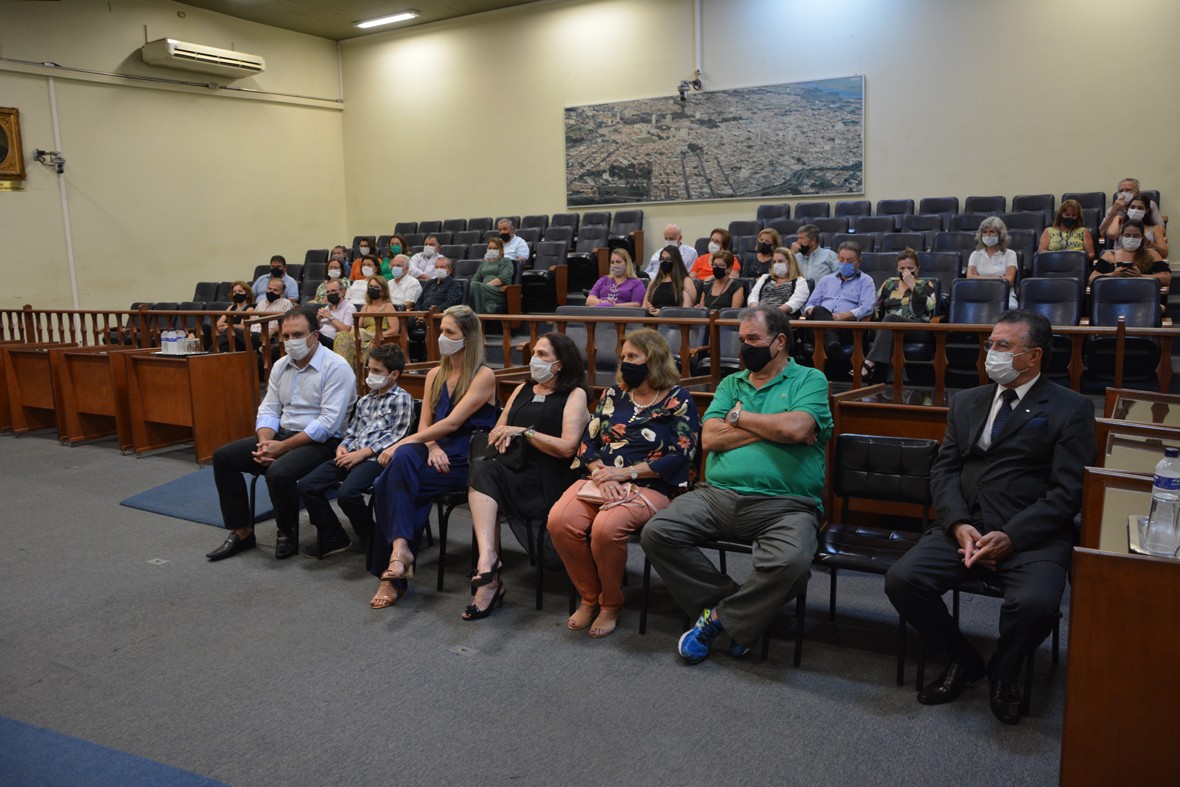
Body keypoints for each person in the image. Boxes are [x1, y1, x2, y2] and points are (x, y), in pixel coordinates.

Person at [885, 310, 1095, 725]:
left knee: (1036, 604)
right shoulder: (967, 401)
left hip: (1031, 534)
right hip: (964, 527)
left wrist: (1011, 536)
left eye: (1003, 346)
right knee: (903, 580)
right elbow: (944, 470)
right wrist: (959, 524)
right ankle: (961, 659)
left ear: (1033, 356)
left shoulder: (1071, 408)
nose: (990, 354)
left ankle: (1005, 669)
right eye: (990, 344)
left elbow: (1068, 492)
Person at [641, 306, 832, 663]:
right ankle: (744, 611)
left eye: (753, 339)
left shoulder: (810, 380)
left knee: (792, 562)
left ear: (779, 343)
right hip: (716, 496)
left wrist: (740, 418)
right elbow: (710, 438)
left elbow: (798, 430)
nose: (744, 347)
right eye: (742, 339)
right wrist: (774, 428)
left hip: (786, 504)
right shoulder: (731, 382)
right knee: (658, 532)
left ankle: (716, 620)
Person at [548, 329, 700, 638]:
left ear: (654, 360)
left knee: (606, 527)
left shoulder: (677, 398)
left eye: (633, 357)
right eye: (623, 357)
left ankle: (610, 604)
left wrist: (625, 474)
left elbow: (681, 454)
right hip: (602, 478)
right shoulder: (613, 393)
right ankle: (590, 597)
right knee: (559, 521)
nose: (626, 363)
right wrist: (601, 471)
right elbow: (587, 440)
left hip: (652, 484)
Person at [368, 305, 498, 608]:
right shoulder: (435, 374)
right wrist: (431, 446)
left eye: (449, 332)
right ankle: (400, 551)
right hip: (434, 452)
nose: (441, 337)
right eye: (441, 331)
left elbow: (452, 424)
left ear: (467, 338)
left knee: (388, 481)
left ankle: (393, 574)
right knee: (402, 469)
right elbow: (426, 424)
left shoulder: (484, 376)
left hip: (465, 459)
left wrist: (401, 444)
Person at [206, 305, 357, 562]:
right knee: (223, 457)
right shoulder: (280, 365)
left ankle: (285, 532)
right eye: (286, 336)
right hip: (282, 435)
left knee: (278, 472)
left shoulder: (337, 368)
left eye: (298, 335)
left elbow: (327, 424)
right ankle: (242, 532)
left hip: (325, 442)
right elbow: (269, 409)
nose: (290, 342)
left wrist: (280, 448)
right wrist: (266, 443)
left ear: (315, 336)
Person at [464, 333, 590, 620]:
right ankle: (488, 564)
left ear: (560, 364)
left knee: (485, 478)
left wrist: (525, 432)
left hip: (550, 478)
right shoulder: (522, 388)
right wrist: (503, 436)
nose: (535, 359)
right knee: (482, 470)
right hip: (513, 470)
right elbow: (497, 431)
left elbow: (568, 447)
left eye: (543, 355)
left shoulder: (574, 395)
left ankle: (489, 575)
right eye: (535, 352)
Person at [296, 344, 415, 561]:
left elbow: (398, 435)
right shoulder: (365, 400)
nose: (371, 375)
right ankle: (334, 535)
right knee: (307, 485)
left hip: (377, 459)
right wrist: (343, 446)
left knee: (347, 494)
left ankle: (372, 537)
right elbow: (353, 431)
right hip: (350, 453)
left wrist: (362, 454)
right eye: (369, 370)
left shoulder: (402, 399)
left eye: (377, 371)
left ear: (394, 374)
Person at [859, 248, 938, 383]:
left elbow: (930, 307)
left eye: (909, 268)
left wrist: (913, 285)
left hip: (917, 327)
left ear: (917, 269)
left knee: (890, 320)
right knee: (890, 327)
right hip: (889, 328)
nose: (905, 271)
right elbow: (877, 308)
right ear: (897, 269)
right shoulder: (889, 283)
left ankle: (870, 362)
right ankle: (895, 384)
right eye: (902, 268)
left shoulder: (925, 284)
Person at [803, 241, 876, 360]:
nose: (845, 263)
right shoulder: (826, 280)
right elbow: (809, 305)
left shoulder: (866, 281)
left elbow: (867, 307)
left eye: (849, 260)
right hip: (819, 325)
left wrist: (842, 316)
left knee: (823, 327)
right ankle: (832, 342)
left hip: (846, 327)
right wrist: (822, 315)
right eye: (842, 260)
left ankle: (832, 343)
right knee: (819, 310)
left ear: (859, 262)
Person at [334, 274, 398, 369]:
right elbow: (358, 328)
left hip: (380, 339)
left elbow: (395, 329)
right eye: (370, 286)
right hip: (364, 337)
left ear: (383, 291)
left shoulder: (388, 306)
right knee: (342, 336)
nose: (372, 289)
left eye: (376, 287)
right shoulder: (365, 307)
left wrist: (378, 335)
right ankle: (343, 371)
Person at [1090, 219, 1171, 287]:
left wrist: (1140, 276)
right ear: (1122, 236)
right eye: (1127, 235)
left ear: (1142, 237)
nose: (1131, 238)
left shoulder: (1152, 254)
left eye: (1136, 236)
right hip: (1114, 296)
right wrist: (1112, 275)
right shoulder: (1109, 255)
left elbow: (1166, 279)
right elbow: (1091, 279)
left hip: (1143, 297)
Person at [967, 216, 1019, 308]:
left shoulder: (1010, 254)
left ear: (1000, 234)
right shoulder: (975, 254)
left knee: (1012, 307)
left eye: (991, 232)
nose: (987, 235)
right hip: (979, 293)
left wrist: (980, 277)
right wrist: (998, 278)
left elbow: (1009, 281)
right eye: (985, 232)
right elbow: (970, 277)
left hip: (1004, 294)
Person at [1100, 177, 1164, 246]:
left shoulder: (1150, 205)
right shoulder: (1112, 210)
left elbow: (1161, 228)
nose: (1124, 193)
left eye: (1128, 190)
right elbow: (1102, 233)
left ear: (1137, 193)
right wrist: (1114, 211)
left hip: (1145, 244)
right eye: (1121, 191)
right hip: (1122, 245)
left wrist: (1139, 238)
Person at [748, 247, 810, 316]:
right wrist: (757, 312)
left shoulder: (800, 282)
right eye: (774, 262)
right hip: (758, 315)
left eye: (780, 261)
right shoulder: (765, 277)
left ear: (790, 263)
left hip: (781, 317)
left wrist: (770, 314)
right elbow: (753, 297)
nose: (776, 264)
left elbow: (794, 303)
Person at [1103, 194, 1169, 258]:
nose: (1135, 210)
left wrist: (1149, 243)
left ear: (1147, 210)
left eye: (1140, 208)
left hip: (1144, 261)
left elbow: (1165, 253)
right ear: (1128, 209)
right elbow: (1111, 235)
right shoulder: (1120, 224)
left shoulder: (1154, 228)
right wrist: (1116, 218)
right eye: (1132, 207)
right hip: (1120, 259)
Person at [642, 246, 696, 316]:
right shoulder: (654, 282)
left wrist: (663, 313)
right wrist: (649, 309)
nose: (665, 262)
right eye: (662, 259)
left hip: (675, 323)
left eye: (669, 260)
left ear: (676, 261)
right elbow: (643, 308)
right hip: (652, 322)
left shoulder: (686, 281)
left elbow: (686, 311)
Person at [469, 237, 514, 314]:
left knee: (475, 286)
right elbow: (475, 278)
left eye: (495, 248)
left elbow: (504, 278)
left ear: (501, 251)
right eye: (489, 248)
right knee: (472, 284)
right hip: (482, 290)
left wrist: (484, 286)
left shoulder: (506, 261)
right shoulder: (484, 264)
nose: (492, 250)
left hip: (498, 291)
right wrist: (481, 287)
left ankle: (478, 319)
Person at [211, 280, 255, 352]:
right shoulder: (231, 308)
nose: (237, 293)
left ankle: (210, 354)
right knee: (206, 328)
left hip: (237, 338)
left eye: (240, 291)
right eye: (235, 292)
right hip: (225, 334)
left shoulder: (249, 309)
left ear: (246, 294)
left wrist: (229, 326)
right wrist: (221, 327)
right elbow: (219, 323)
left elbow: (244, 326)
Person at [313, 277, 355, 351]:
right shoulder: (328, 307)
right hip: (321, 337)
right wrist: (318, 319)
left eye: (333, 291)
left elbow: (346, 330)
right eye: (328, 292)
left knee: (312, 335)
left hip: (334, 341)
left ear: (343, 292)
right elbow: (317, 327)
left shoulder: (349, 307)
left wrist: (330, 317)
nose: (330, 294)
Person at [250, 277, 294, 346]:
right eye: (269, 288)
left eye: (275, 290)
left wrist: (271, 331)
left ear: (282, 292)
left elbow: (285, 322)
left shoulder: (286, 303)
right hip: (252, 334)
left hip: (269, 336)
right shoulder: (261, 303)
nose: (271, 291)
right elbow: (253, 320)